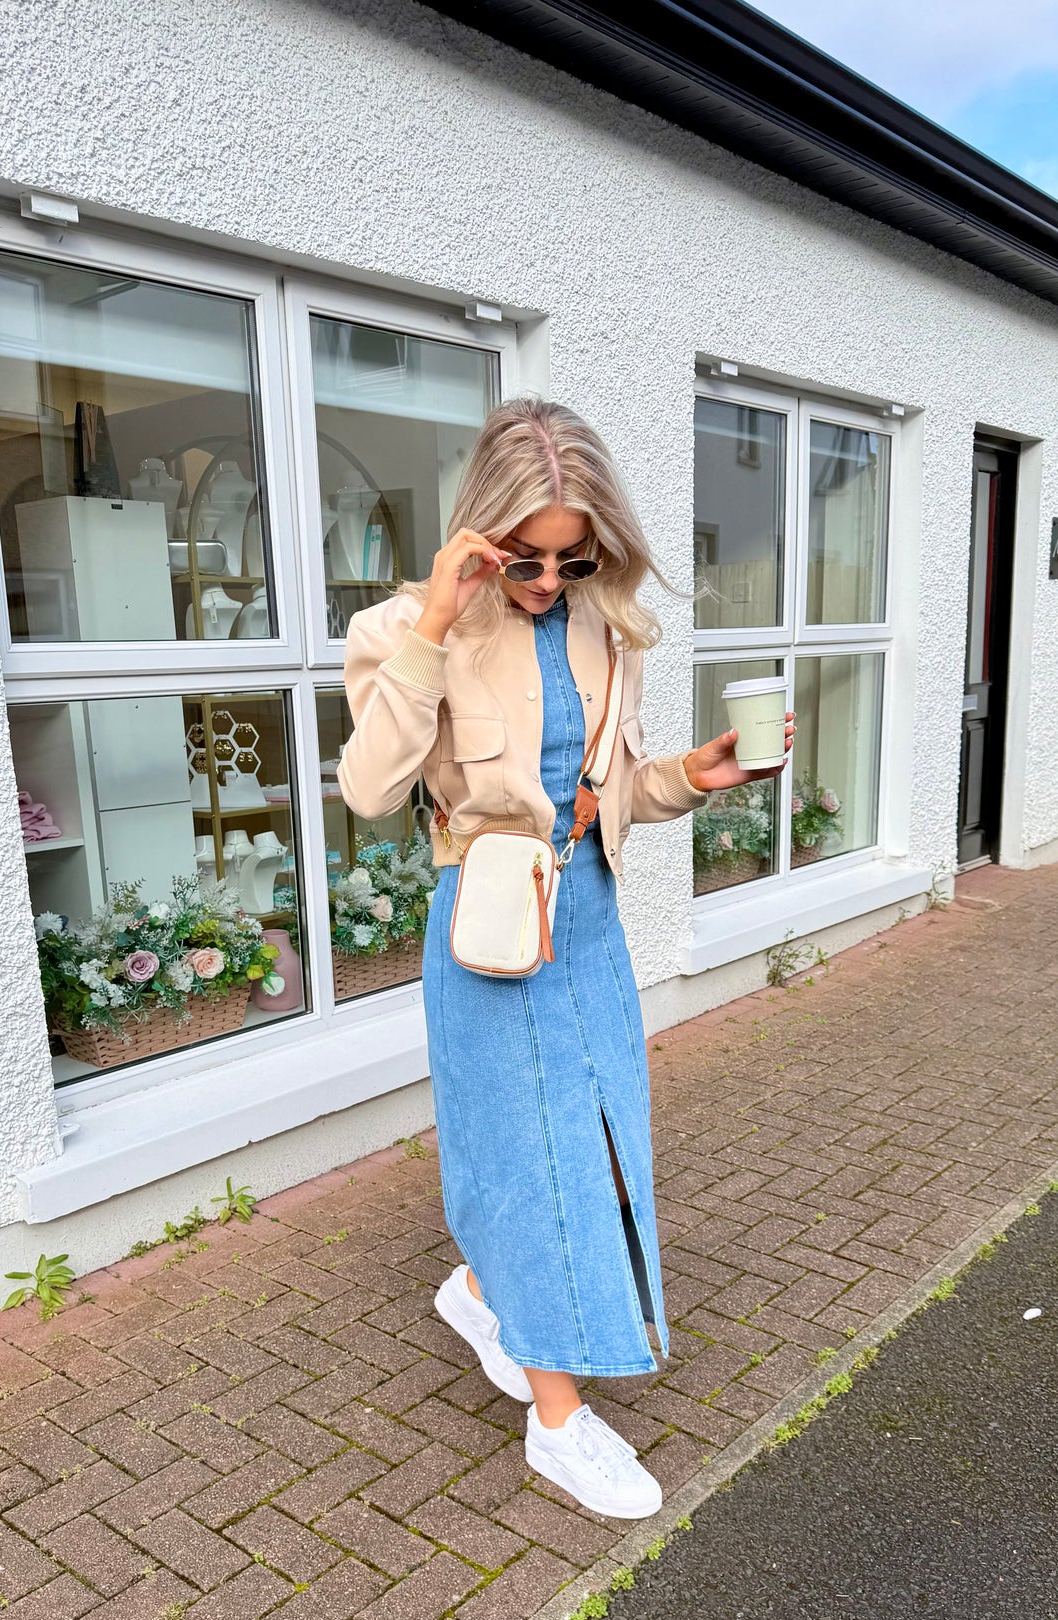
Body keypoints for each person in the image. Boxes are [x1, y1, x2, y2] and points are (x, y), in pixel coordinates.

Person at [338, 399, 793, 1519]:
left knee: (590, 1138)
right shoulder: (398, 629)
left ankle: (482, 1288)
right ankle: (556, 1421)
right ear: (479, 533)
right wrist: (438, 620)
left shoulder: (602, 628)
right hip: (490, 926)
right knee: (532, 1159)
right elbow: (367, 788)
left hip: (584, 917)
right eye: (523, 559)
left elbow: (611, 791)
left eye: (571, 556)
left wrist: (693, 774)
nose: (547, 581)